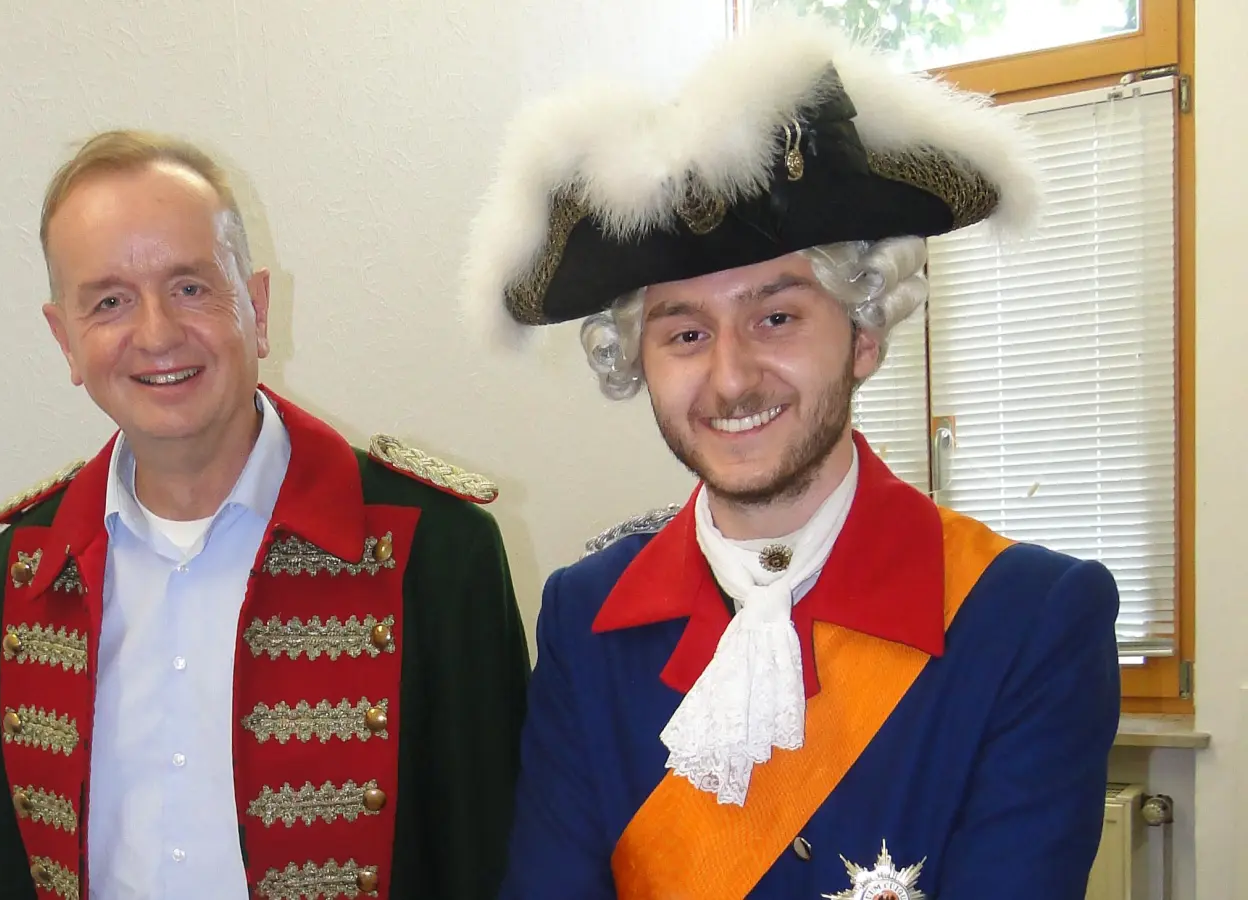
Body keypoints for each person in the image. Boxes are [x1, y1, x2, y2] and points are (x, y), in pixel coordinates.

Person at [461, 16, 1121, 900]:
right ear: (636, 364)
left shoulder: (1030, 619)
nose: (732, 377)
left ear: (863, 334)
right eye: (685, 333)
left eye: (777, 317)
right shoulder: (585, 618)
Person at [0, 129, 530, 900]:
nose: (157, 333)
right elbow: (7, 865)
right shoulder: (20, 569)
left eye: (190, 287)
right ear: (65, 339)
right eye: (109, 301)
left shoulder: (439, 552)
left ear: (257, 308)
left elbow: (494, 864)